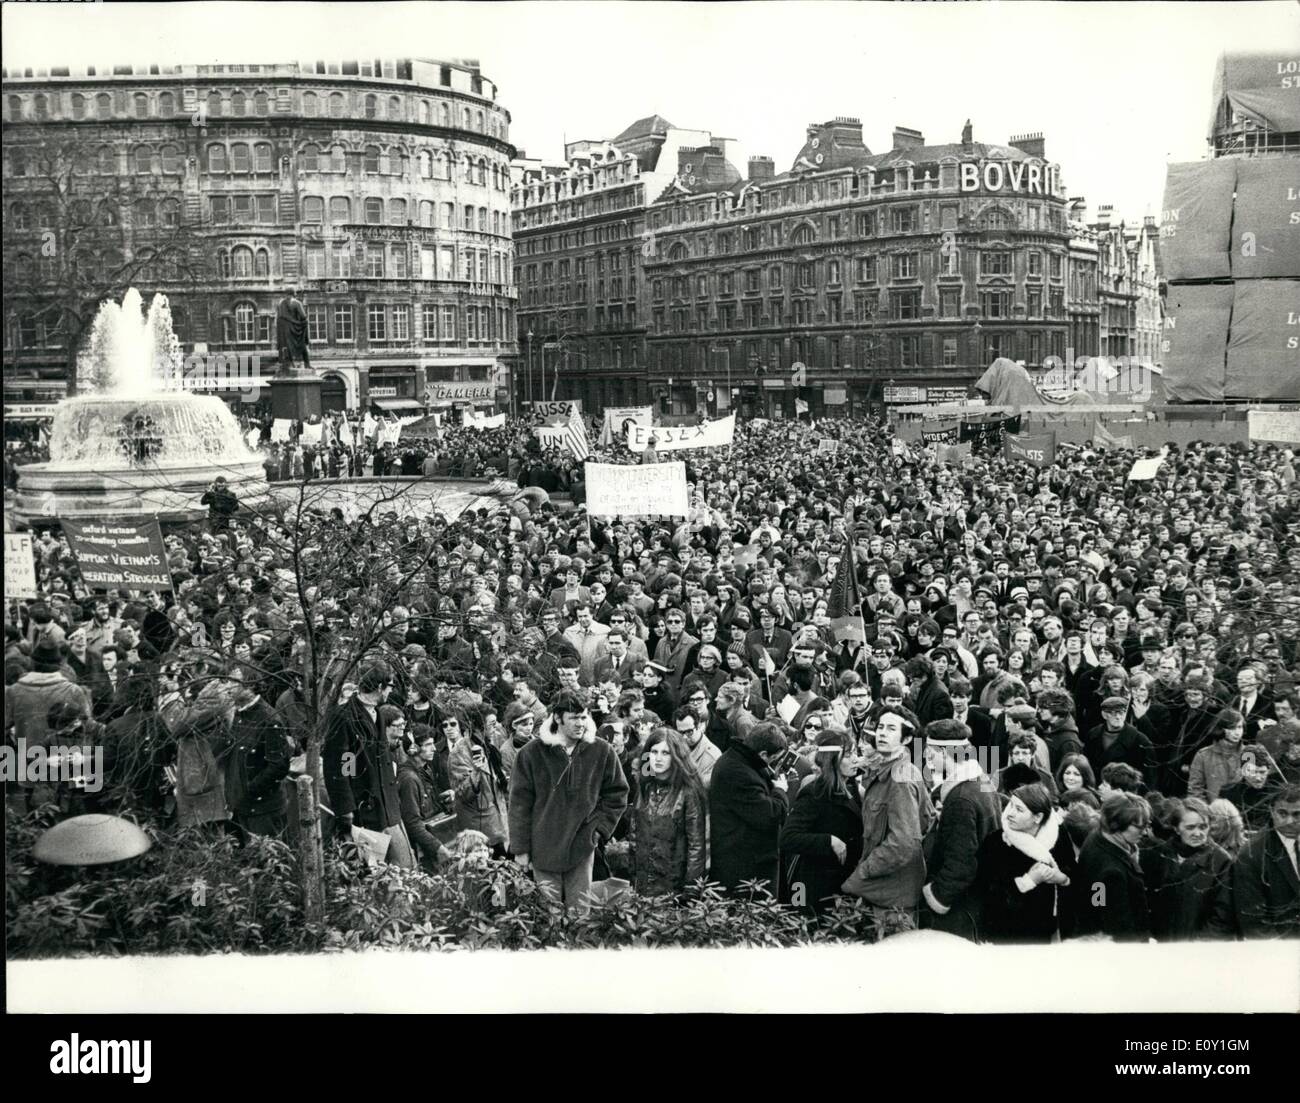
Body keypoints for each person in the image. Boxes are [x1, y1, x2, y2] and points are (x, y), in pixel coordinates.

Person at [507, 688, 629, 913]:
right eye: (574, 718)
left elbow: (618, 793)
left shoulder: (601, 750)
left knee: (580, 914)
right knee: (548, 915)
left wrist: (599, 829)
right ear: (557, 718)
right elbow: (518, 804)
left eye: (584, 717)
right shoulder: (531, 753)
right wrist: (521, 849)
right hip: (543, 847)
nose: (580, 723)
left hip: (581, 846)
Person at [841, 707, 934, 929]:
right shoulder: (889, 770)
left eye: (891, 728)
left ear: (907, 738)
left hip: (893, 898)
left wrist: (863, 872)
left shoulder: (901, 778)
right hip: (887, 892)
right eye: (880, 727)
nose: (882, 733)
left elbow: (904, 842)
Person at [323, 663, 414, 868]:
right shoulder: (344, 717)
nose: (391, 691)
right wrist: (347, 807)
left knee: (403, 865)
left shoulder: (379, 714)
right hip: (365, 810)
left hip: (388, 807)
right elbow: (343, 765)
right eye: (390, 686)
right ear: (380, 687)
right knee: (372, 871)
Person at [919, 718, 1001, 940]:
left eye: (930, 752)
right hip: (979, 899)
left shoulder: (960, 799)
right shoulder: (982, 781)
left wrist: (937, 897)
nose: (925, 757)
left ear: (946, 753)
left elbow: (961, 863)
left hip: (960, 909)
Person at [974, 782, 1076, 944]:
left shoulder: (1058, 836)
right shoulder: (996, 842)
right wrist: (1028, 881)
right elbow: (985, 893)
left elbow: (1074, 874)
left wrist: (1062, 878)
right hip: (1006, 934)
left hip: (1045, 930)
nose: (1009, 814)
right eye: (1011, 806)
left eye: (1019, 809)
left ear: (1038, 817)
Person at [779, 728, 864, 916]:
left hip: (843, 881)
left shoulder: (851, 786)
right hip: (816, 885)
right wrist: (829, 841)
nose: (856, 759)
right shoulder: (814, 793)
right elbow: (788, 838)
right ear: (832, 760)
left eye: (855, 753)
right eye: (848, 755)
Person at [709, 721, 793, 894]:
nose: (773, 763)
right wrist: (780, 790)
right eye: (774, 758)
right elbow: (769, 816)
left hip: (745, 861)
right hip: (745, 869)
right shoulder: (738, 772)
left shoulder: (739, 759)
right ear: (763, 754)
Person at [628, 728, 707, 897]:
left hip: (673, 885)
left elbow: (696, 846)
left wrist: (691, 891)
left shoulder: (688, 792)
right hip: (642, 884)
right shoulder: (645, 786)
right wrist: (634, 877)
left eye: (665, 753)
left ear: (677, 756)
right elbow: (635, 836)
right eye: (654, 751)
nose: (658, 758)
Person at [1141, 797, 1232, 942]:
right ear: (1176, 829)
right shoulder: (1159, 854)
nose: (1198, 833)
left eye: (1203, 827)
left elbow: (1223, 915)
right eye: (1190, 828)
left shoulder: (1220, 860)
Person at [1071, 792, 1152, 942]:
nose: (1145, 832)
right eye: (1139, 827)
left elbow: (1097, 900)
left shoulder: (1097, 836)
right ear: (1116, 824)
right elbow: (1117, 925)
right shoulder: (1111, 872)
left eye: (1147, 825)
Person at [1224, 784, 1300, 938]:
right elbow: (1253, 923)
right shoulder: (1251, 854)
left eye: (1297, 814)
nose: (1289, 821)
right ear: (1272, 811)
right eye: (1282, 813)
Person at [219, 683, 291, 838]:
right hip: (239, 809)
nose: (227, 688)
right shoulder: (238, 714)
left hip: (262, 812)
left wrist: (249, 790)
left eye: (233, 682)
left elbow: (278, 767)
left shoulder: (270, 720)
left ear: (249, 687)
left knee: (267, 860)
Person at [397, 728, 455, 871]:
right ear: (413, 749)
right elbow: (412, 822)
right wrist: (438, 848)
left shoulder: (423, 769)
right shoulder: (409, 778)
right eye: (428, 744)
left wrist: (439, 799)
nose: (434, 748)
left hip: (433, 836)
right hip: (426, 848)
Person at [1217, 743, 1282, 834]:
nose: (1258, 778)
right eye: (1253, 772)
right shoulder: (1227, 793)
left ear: (1268, 770)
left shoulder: (1279, 793)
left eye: (1262, 772)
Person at [1189, 708, 1246, 803]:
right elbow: (1195, 790)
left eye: (1240, 727)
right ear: (1220, 728)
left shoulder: (1249, 753)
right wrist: (1207, 812)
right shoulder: (1203, 755)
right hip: (1214, 813)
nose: (1237, 732)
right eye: (1232, 728)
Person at [674, 705, 720, 787]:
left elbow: (700, 789)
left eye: (689, 732)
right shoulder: (675, 746)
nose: (684, 737)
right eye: (681, 732)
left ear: (699, 726)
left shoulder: (712, 756)